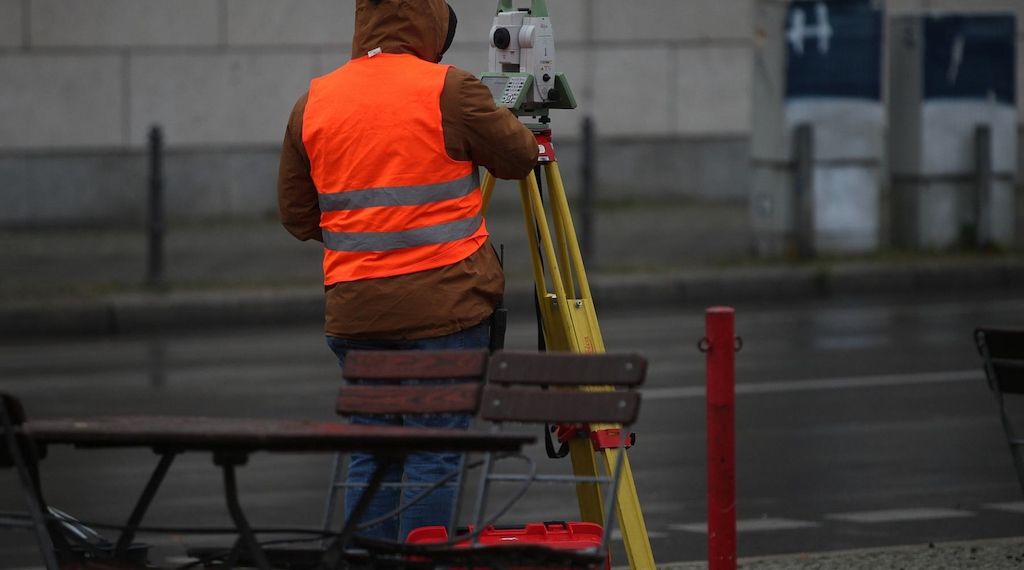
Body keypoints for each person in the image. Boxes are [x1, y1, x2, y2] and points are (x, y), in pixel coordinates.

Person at [276, 0, 538, 541]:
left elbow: (297, 214)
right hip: (443, 313)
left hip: (355, 313)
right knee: (433, 451)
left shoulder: (315, 99)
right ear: (431, 22)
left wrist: (369, 239)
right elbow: (518, 157)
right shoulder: (448, 88)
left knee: (371, 452)